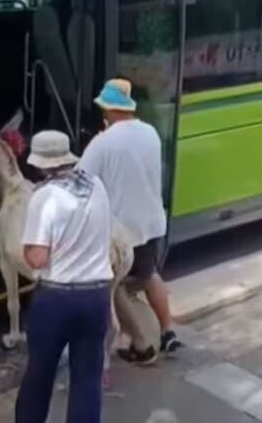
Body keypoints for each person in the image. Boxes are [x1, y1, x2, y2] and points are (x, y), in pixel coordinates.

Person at [78, 78, 181, 365]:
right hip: (152, 221)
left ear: (109, 110)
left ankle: (140, 345)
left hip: (123, 230)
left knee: (115, 286)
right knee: (149, 276)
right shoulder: (150, 132)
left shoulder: (102, 142)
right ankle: (168, 330)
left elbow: (81, 178)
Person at [15, 131, 113, 423]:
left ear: (40, 164)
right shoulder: (96, 185)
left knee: (39, 376)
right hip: (97, 296)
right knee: (86, 380)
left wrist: (25, 245)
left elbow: (38, 257)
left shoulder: (44, 197)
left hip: (57, 299)